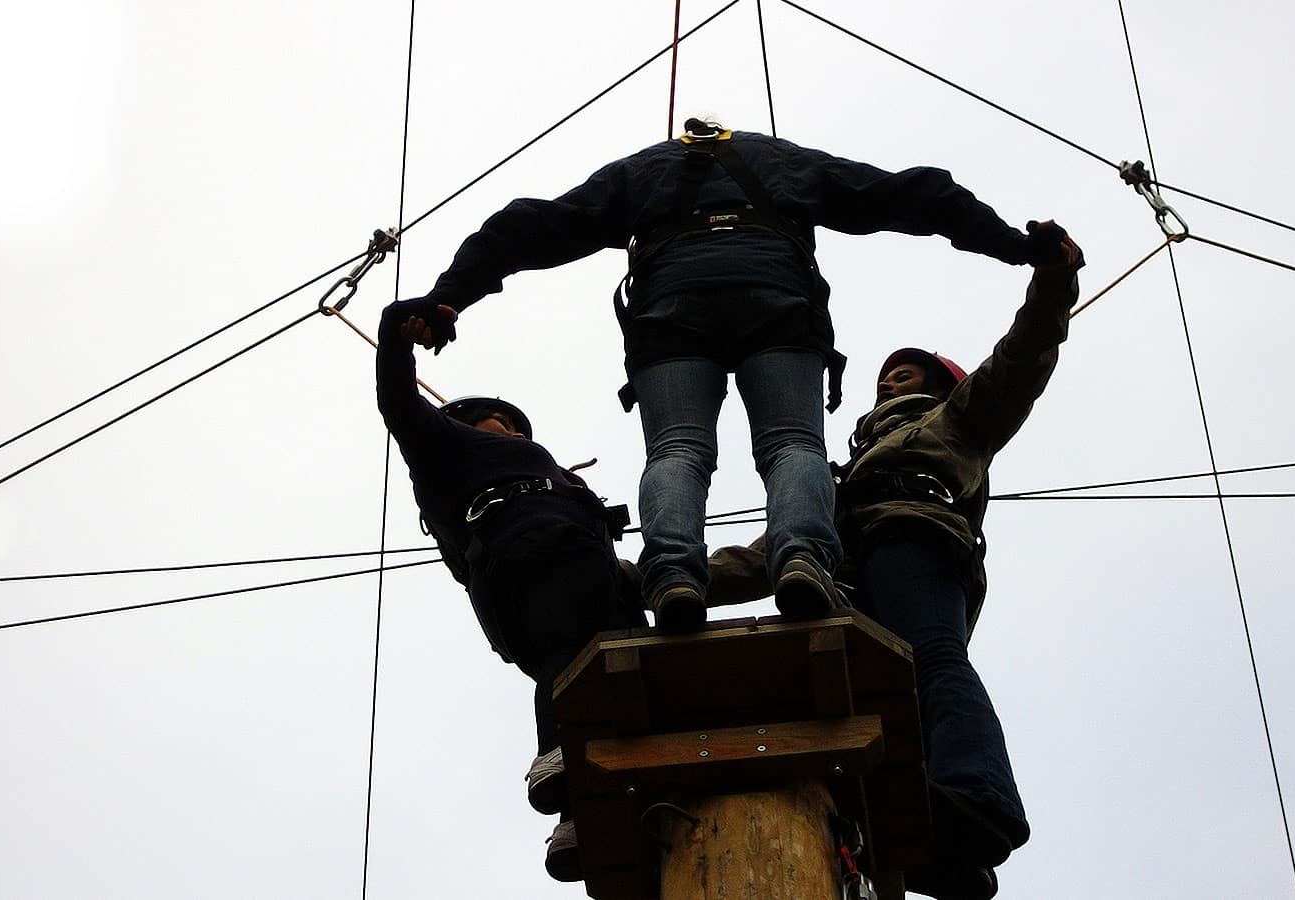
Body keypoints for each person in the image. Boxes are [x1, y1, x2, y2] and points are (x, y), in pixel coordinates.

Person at [385, 119, 1072, 633]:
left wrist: (450, 297)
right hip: (777, 299)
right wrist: (1014, 244)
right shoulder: (781, 161)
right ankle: (803, 558)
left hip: (671, 308)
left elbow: (525, 227)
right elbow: (912, 195)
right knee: (792, 446)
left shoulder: (641, 172)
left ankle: (673, 576)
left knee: (678, 450)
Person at [707, 223, 1086, 899]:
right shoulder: (841, 476)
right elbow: (763, 557)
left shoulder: (958, 421)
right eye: (885, 374)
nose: (890, 374)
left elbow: (1022, 359)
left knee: (931, 660)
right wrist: (661, 580)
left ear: (943, 383)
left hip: (916, 538)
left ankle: (980, 797)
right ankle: (941, 857)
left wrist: (1053, 286)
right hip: (850, 563)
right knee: (859, 705)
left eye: (906, 370)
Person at [375, 300, 647, 883]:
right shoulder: (445, 449)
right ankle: (558, 756)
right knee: (572, 650)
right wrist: (399, 326)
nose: (512, 429)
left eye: (515, 425)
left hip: (567, 569)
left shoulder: (560, 481)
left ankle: (583, 818)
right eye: (498, 420)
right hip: (531, 556)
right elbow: (398, 401)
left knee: (609, 666)